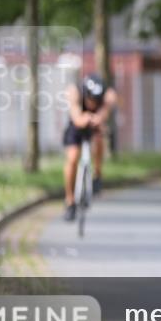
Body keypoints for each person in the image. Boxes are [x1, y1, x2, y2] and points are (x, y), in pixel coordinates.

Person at [62, 73, 117, 222]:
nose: (93, 103)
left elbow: (104, 112)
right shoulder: (75, 92)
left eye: (96, 100)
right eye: (90, 99)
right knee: (72, 158)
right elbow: (76, 117)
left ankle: (97, 175)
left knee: (99, 138)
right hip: (77, 125)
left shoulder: (109, 95)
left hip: (95, 125)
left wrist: (97, 119)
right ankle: (70, 200)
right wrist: (84, 118)